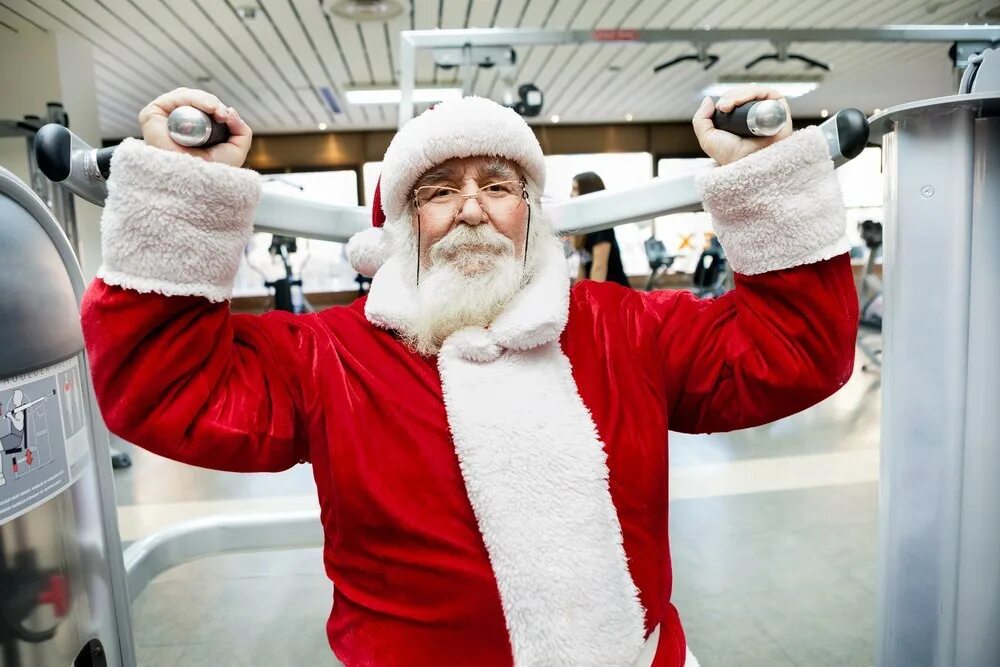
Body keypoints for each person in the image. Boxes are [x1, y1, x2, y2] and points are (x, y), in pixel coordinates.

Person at [80, 87, 858, 667]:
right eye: (439, 190)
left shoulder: (625, 326)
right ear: (402, 222)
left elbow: (795, 350)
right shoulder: (330, 353)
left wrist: (768, 178)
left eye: (498, 184)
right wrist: (182, 195)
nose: (473, 209)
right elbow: (159, 385)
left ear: (530, 210)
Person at [570, 172, 631, 287]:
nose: (571, 194)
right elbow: (583, 264)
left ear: (587, 192)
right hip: (601, 291)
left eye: (575, 189)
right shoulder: (585, 226)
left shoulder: (601, 226)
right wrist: (577, 295)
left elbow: (599, 267)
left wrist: (592, 302)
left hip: (614, 295)